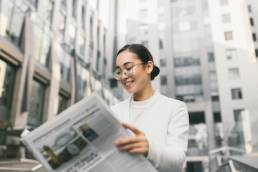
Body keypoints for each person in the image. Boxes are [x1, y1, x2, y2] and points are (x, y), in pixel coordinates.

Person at [111, 44, 189, 172]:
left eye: (129, 67)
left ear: (148, 67)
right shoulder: (114, 111)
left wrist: (149, 148)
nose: (123, 76)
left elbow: (178, 162)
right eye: (119, 72)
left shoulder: (175, 108)